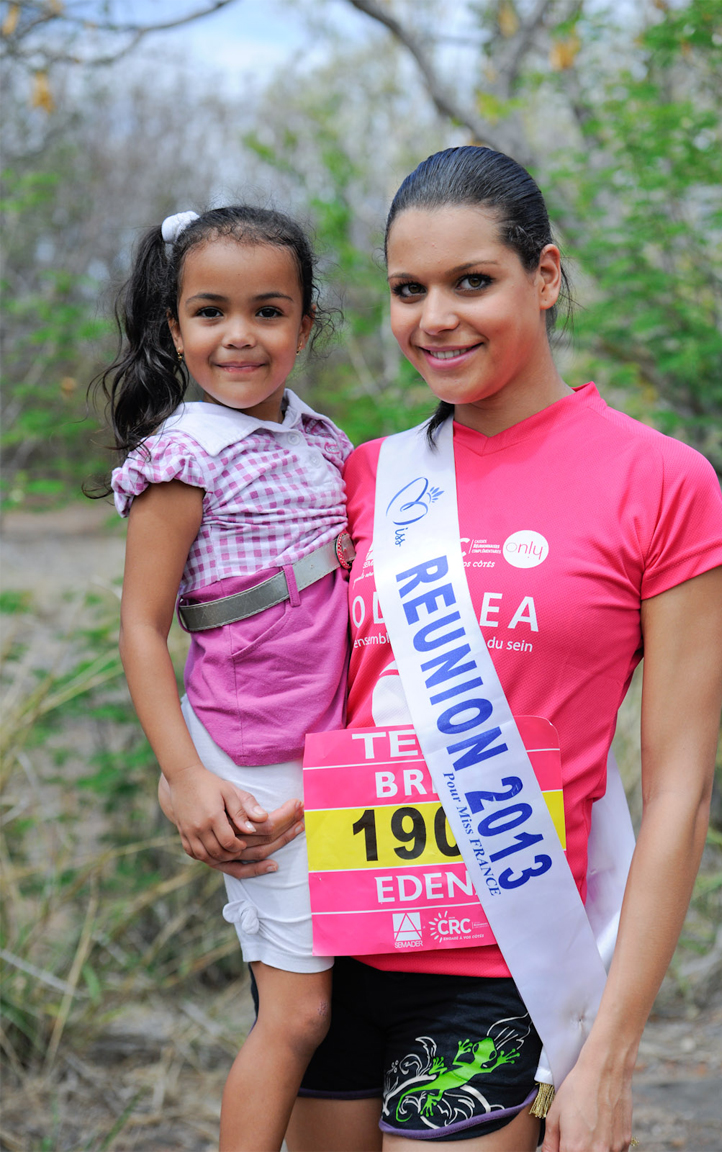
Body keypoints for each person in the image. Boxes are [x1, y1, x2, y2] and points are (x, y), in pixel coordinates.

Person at [276, 147, 722, 1152]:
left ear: (545, 275)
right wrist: (191, 779)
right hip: (332, 960)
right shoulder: (366, 477)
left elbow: (680, 795)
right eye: (410, 290)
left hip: (508, 963)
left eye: (472, 282)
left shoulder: (659, 483)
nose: (434, 318)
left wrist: (609, 1055)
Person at [96, 205, 353, 1152]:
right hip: (250, 756)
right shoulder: (183, 455)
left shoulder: (324, 440)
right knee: (295, 1017)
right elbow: (139, 625)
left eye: (268, 311)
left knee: (342, 1004)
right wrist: (187, 775)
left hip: (336, 753)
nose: (238, 335)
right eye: (210, 312)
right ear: (175, 329)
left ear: (306, 325)